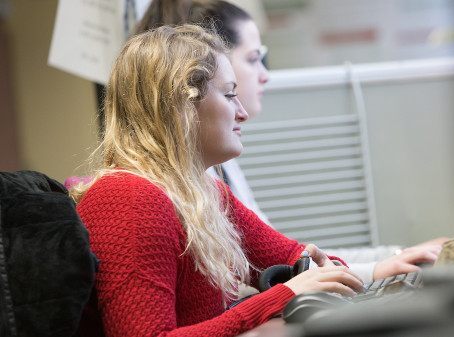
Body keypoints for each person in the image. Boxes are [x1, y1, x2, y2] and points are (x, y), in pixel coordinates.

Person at [72, 24, 365, 336]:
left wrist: (325, 271)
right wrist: (286, 294)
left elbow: (296, 258)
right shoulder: (127, 200)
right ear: (181, 106)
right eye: (229, 95)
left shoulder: (204, 193)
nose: (242, 114)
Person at [132, 0, 448, 284]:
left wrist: (393, 256)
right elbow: (277, 275)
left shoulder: (213, 176)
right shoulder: (147, 200)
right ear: (200, 77)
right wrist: (380, 265)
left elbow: (286, 258)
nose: (264, 75)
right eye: (254, 59)